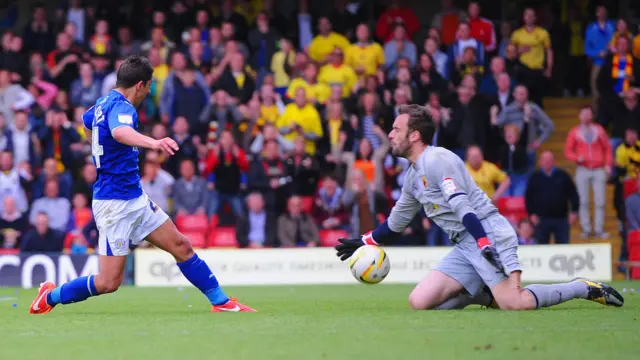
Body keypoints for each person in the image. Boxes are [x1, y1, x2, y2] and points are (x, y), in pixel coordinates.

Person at [334, 104, 623, 311]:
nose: (391, 134)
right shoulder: (412, 177)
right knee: (418, 302)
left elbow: (462, 206)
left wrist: (484, 242)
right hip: (465, 245)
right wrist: (361, 242)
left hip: (488, 233)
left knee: (516, 304)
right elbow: (395, 223)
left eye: (396, 129)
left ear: (414, 135)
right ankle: (484, 295)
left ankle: (581, 287)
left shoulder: (438, 160)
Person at [29, 55, 255, 315]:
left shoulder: (102, 104)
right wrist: (154, 143)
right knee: (108, 282)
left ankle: (221, 302)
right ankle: (50, 296)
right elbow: (119, 132)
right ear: (139, 85)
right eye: (149, 86)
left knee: (181, 246)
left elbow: (86, 122)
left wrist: (97, 146)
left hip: (134, 198)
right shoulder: (123, 108)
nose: (149, 91)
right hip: (114, 205)